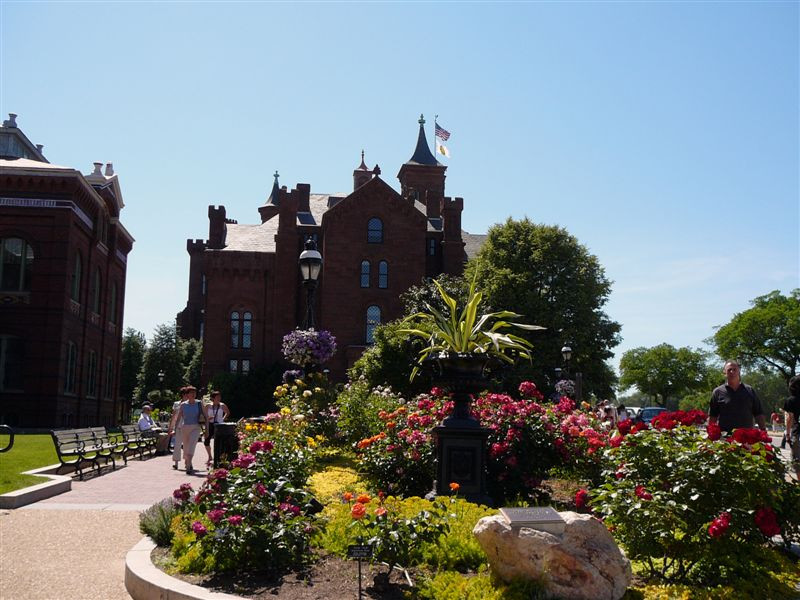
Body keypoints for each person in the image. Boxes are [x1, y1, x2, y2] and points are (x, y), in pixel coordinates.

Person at [708, 360, 766, 433]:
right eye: (729, 370)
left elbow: (758, 413)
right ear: (724, 373)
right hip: (725, 439)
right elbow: (713, 416)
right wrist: (710, 433)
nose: (732, 372)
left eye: (734, 369)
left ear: (739, 371)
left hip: (747, 437)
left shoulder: (749, 390)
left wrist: (763, 430)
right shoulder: (717, 392)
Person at [168, 385, 208, 474]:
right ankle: (185, 462)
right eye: (191, 393)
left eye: (194, 393)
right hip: (184, 428)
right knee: (185, 447)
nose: (193, 394)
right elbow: (177, 417)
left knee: (192, 445)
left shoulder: (199, 403)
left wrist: (207, 429)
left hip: (195, 427)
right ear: (187, 394)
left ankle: (189, 463)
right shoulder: (182, 405)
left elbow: (206, 417)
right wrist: (173, 428)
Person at [203, 390, 230, 466]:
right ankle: (210, 456)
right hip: (210, 424)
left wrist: (223, 419)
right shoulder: (208, 406)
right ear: (213, 398)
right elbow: (205, 417)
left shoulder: (222, 405)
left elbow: (228, 412)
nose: (219, 398)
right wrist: (208, 418)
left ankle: (218, 458)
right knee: (206, 441)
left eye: (219, 397)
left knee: (219, 441)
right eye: (217, 397)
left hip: (219, 425)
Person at [783, 375, 800, 481]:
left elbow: (790, 418)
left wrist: (787, 434)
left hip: (797, 433)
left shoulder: (790, 400)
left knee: (797, 461)